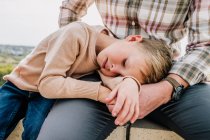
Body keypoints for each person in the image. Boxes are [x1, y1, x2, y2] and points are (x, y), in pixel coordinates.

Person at [37, 0, 210, 140]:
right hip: (99, 77)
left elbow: (204, 45)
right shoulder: (107, 64)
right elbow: (71, 9)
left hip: (172, 78)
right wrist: (84, 56)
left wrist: (165, 89)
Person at [0, 21, 172, 140]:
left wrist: (125, 84)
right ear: (133, 39)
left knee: (36, 133)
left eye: (120, 75)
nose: (113, 69)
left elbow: (107, 76)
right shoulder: (76, 33)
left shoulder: (109, 58)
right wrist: (102, 93)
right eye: (125, 62)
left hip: (45, 97)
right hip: (19, 85)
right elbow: (48, 84)